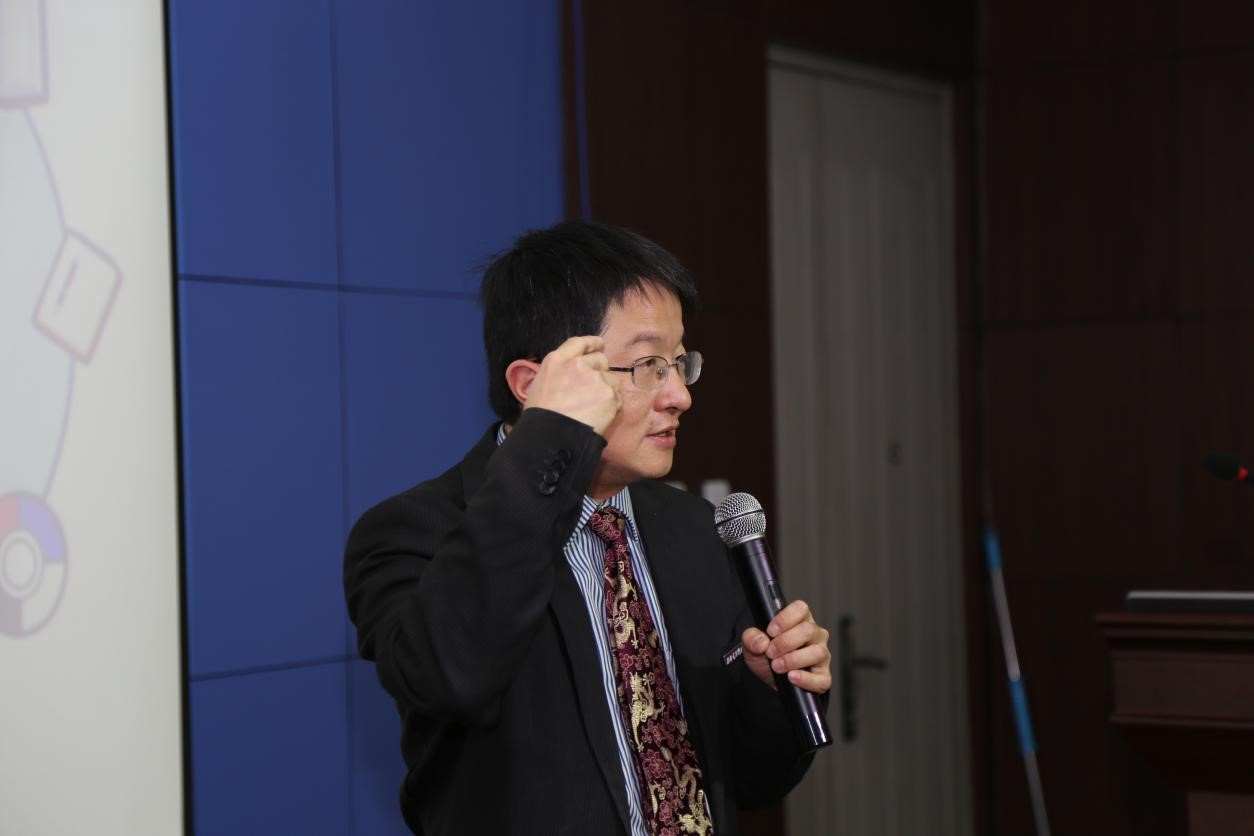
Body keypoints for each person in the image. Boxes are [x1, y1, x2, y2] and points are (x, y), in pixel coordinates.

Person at [344, 220, 832, 835]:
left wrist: (769, 691)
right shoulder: (412, 533)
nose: (679, 396)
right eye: (648, 365)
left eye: (679, 363)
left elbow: (750, 781)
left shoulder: (695, 528)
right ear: (534, 386)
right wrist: (548, 439)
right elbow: (451, 678)